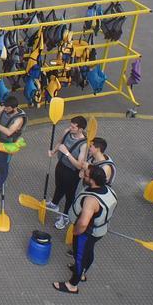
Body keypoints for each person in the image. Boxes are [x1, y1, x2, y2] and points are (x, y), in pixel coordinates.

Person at [52, 164, 115, 294]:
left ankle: (73, 284)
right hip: (99, 231)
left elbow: (83, 223)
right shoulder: (109, 190)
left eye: (85, 175)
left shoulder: (91, 200)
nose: (83, 176)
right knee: (89, 251)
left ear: (92, 180)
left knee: (79, 256)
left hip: (86, 233)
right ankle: (82, 271)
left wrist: (75, 232)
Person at [47, 117, 89, 230]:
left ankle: (65, 217)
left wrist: (66, 153)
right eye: (70, 125)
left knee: (70, 194)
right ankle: (54, 203)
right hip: (61, 165)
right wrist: (53, 151)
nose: (70, 128)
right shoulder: (67, 132)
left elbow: (79, 165)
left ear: (80, 129)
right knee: (59, 185)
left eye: (73, 127)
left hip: (72, 173)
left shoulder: (84, 145)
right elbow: (60, 143)